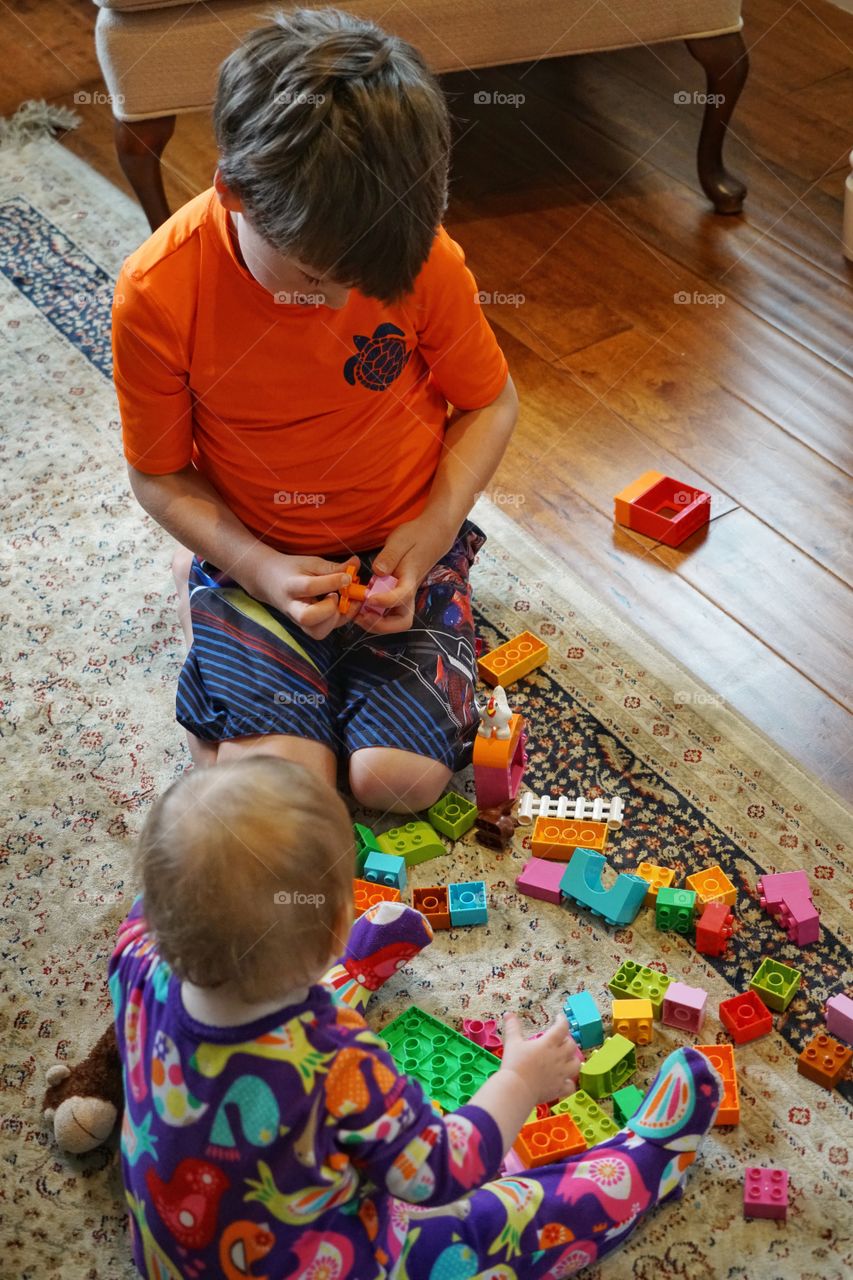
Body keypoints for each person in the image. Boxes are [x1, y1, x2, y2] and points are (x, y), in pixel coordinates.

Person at [112, 7, 520, 813]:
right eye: (315, 274)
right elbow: (159, 475)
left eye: (367, 279)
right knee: (278, 791)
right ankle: (208, 594)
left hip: (403, 546)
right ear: (231, 192)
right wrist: (259, 567)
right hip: (255, 553)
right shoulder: (157, 294)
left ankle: (247, 640)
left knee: (395, 784)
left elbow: (490, 400)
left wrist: (434, 529)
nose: (339, 300)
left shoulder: (421, 257)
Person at [112, 756, 723, 1279]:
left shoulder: (136, 957)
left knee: (249, 979)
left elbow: (213, 917)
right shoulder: (335, 1059)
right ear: (332, 931)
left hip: (174, 1255)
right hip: (318, 1262)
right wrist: (518, 1083)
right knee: (494, 1224)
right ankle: (652, 1160)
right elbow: (437, 1170)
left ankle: (346, 974)